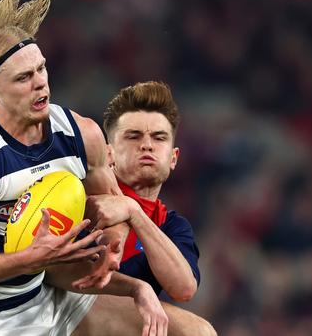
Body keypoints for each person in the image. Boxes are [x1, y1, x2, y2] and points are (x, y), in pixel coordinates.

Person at [0, 0, 173, 336]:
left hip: (57, 298)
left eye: (42, 69)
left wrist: (114, 244)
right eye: (24, 78)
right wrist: (33, 258)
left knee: (195, 331)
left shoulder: (82, 134)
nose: (41, 84)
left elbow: (113, 208)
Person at [87, 81, 216, 334]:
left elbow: (184, 288)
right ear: (108, 154)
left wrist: (134, 213)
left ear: (173, 158)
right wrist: (137, 289)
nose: (147, 145)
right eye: (133, 136)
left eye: (159, 138)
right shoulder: (84, 197)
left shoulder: (172, 226)